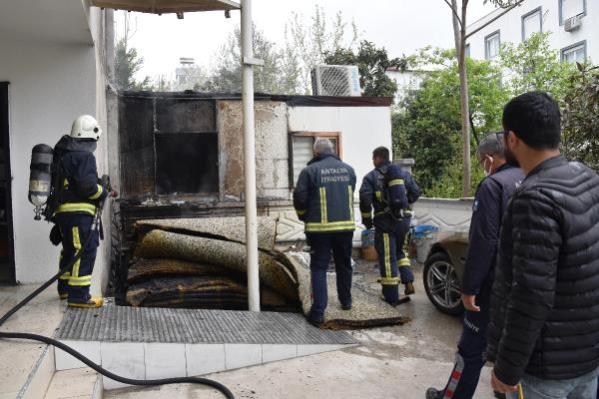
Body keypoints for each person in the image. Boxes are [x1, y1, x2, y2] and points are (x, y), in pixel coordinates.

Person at [487, 92, 599, 398]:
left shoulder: (534, 198)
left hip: (545, 369)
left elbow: (531, 295)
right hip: (587, 358)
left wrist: (506, 368)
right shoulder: (589, 178)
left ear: (512, 139)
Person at [426, 133, 523, 399]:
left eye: (482, 161)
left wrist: (469, 288)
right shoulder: (530, 177)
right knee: (517, 348)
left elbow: (483, 242)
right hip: (527, 285)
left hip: (494, 285)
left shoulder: (493, 186)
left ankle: (453, 396)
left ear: (490, 159)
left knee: (470, 349)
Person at [51, 115, 114, 308]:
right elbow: (87, 187)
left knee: (70, 249)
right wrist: (103, 191)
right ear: (88, 137)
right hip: (79, 214)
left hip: (65, 214)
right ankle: (78, 296)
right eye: (94, 140)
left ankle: (65, 289)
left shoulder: (65, 155)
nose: (95, 144)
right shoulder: (84, 156)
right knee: (84, 251)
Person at [293, 138, 357, 327]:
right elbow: (350, 191)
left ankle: (318, 312)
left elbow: (300, 197)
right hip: (345, 227)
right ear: (332, 150)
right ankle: (346, 302)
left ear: (316, 153)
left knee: (319, 267)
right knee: (344, 264)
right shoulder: (349, 169)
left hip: (319, 230)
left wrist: (304, 216)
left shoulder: (309, 171)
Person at [359, 146, 420, 305]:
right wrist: (403, 207)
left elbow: (365, 201)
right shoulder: (403, 174)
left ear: (378, 158)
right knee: (401, 253)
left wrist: (367, 221)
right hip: (404, 222)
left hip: (385, 224)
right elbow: (415, 192)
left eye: (373, 159)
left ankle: (391, 296)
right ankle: (408, 281)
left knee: (388, 258)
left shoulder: (371, 177)